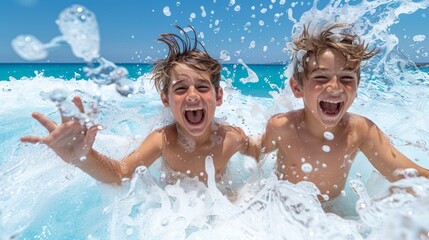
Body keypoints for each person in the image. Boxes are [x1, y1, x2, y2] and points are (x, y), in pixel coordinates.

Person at [20, 26, 259, 187]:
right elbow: (121, 173)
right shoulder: (163, 141)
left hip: (226, 203)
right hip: (179, 212)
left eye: (203, 87)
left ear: (218, 96)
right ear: (165, 100)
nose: (192, 95)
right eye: (180, 88)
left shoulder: (232, 137)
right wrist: (82, 157)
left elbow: (258, 152)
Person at [260, 23, 429, 202]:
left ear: (357, 87)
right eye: (321, 77)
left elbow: (411, 178)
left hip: (331, 218)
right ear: (297, 87)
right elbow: (252, 158)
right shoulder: (282, 126)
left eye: (347, 78)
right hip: (279, 212)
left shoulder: (361, 131)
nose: (335, 87)